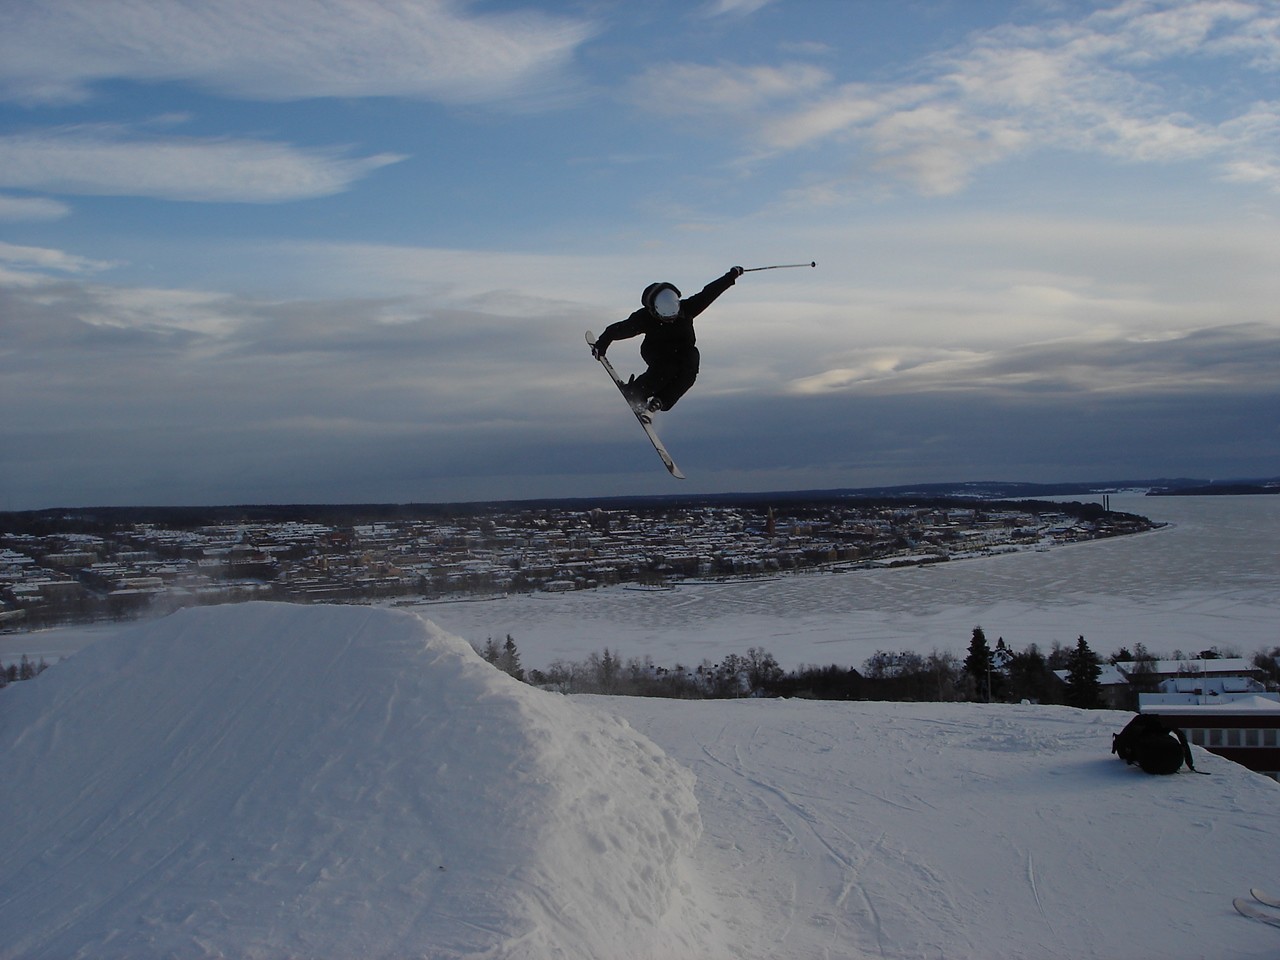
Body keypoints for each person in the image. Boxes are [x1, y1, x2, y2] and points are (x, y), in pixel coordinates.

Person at [591, 266, 744, 415]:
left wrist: (731, 276)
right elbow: (619, 329)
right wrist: (601, 344)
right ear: (654, 310)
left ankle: (660, 402)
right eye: (665, 317)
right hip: (656, 351)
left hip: (682, 351)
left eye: (673, 316)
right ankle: (637, 392)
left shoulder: (687, 308)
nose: (671, 320)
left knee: (690, 365)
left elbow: (709, 293)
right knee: (667, 368)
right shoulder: (645, 318)